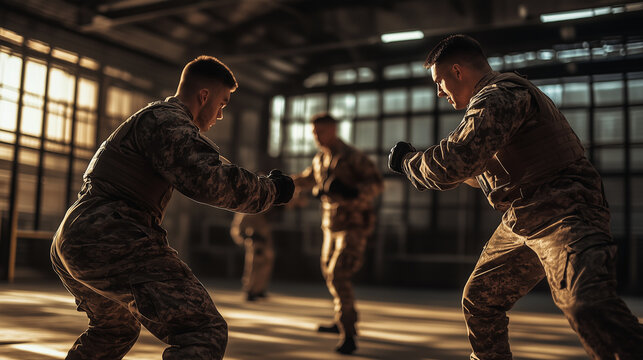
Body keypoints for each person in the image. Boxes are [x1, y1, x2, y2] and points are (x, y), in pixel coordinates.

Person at [388, 34, 643, 360]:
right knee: (480, 300)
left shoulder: (500, 96)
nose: (439, 92)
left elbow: (455, 162)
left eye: (440, 82)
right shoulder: (489, 105)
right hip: (523, 216)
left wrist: (410, 162)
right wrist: (439, 169)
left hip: (564, 210)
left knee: (588, 306)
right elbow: (474, 173)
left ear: (457, 71)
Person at [50, 55, 294, 360]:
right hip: (112, 235)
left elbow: (208, 167)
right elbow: (207, 179)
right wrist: (272, 191)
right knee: (203, 331)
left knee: (114, 330)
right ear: (203, 96)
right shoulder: (168, 120)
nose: (220, 114)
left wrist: (263, 184)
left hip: (73, 237)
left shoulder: (154, 119)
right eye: (223, 102)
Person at [292, 113, 383, 355]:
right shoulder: (321, 158)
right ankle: (341, 317)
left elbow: (376, 184)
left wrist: (353, 192)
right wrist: (282, 183)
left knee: (338, 274)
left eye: (320, 131)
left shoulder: (353, 157)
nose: (316, 136)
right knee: (328, 272)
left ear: (332, 130)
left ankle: (349, 333)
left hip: (353, 226)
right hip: (330, 226)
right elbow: (307, 179)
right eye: (313, 132)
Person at [230, 207, 275, 301]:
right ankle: (250, 289)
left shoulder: (262, 210)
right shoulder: (246, 211)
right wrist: (249, 238)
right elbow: (238, 229)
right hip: (255, 242)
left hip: (264, 241)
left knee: (265, 264)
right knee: (253, 266)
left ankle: (259, 289)